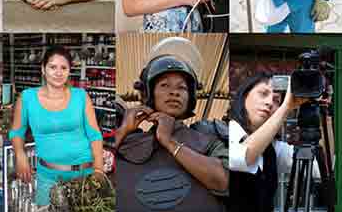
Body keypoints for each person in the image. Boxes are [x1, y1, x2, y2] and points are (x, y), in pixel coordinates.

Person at [115, 37, 228, 212]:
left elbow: (223, 181)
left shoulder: (209, 140)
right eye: (164, 85)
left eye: (182, 87)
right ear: (149, 93)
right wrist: (123, 130)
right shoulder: (129, 141)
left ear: (191, 96)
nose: (174, 92)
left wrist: (169, 141)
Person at [9, 46, 104, 206]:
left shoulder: (81, 96)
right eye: (53, 67)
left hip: (84, 177)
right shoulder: (27, 98)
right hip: (48, 179)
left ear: (69, 71)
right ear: (43, 69)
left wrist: (99, 170)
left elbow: (94, 135)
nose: (58, 73)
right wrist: (20, 155)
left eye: (63, 68)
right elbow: (17, 132)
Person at [229, 72, 321, 212]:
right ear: (244, 96)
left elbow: (320, 167)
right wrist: (286, 107)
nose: (269, 102)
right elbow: (242, 157)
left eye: (277, 100)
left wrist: (325, 115)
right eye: (263, 93)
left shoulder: (272, 149)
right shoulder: (224, 131)